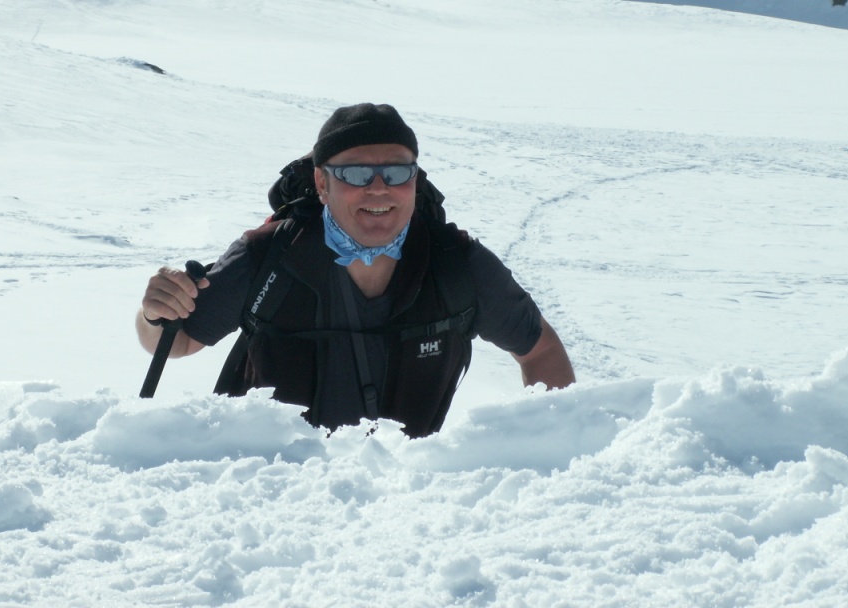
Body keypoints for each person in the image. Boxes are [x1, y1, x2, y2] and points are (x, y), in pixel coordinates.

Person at [137, 103, 574, 437]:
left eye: (397, 172)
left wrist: (550, 450)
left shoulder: (457, 264)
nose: (379, 188)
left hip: (407, 501)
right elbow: (176, 340)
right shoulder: (269, 255)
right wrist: (155, 312)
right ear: (322, 184)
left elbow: (540, 351)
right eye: (356, 173)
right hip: (268, 496)